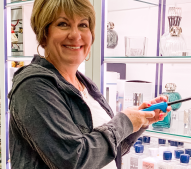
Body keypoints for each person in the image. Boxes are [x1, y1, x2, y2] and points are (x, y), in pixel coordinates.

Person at [8, 0, 171, 168]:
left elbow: (103, 154)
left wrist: (140, 122)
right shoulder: (34, 86)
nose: (76, 35)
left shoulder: (85, 84)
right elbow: (73, 160)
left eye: (83, 25)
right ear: (44, 33)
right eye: (63, 24)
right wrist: (125, 122)